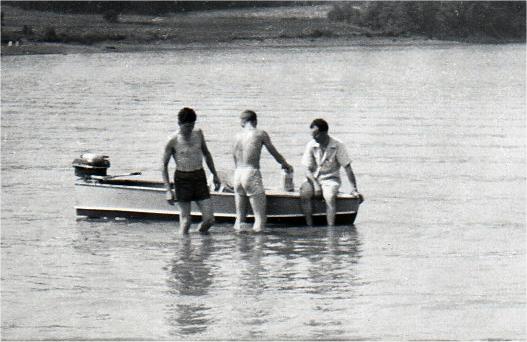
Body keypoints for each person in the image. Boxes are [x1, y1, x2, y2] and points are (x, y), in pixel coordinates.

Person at [162, 107, 221, 234]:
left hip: (199, 176)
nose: (189, 130)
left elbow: (207, 154)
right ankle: (184, 251)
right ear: (179, 124)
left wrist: (215, 175)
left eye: (191, 126)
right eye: (186, 127)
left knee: (209, 219)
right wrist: (168, 190)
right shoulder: (172, 140)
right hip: (182, 179)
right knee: (186, 221)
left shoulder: (198, 133)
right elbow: (163, 166)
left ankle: (201, 240)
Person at [233, 110, 293, 233]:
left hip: (238, 174)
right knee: (260, 218)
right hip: (251, 172)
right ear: (255, 121)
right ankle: (258, 250)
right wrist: (285, 164)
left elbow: (234, 156)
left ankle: (239, 248)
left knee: (239, 218)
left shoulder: (237, 136)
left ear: (242, 122)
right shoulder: (260, 134)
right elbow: (274, 153)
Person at [300, 118, 361, 226]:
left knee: (329, 197)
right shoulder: (311, 144)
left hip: (330, 178)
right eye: (312, 135)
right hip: (313, 178)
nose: (314, 138)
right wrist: (315, 185)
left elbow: (347, 168)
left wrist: (354, 189)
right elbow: (306, 169)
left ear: (324, 133)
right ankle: (309, 226)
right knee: (304, 194)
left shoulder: (337, 145)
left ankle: (330, 228)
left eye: (316, 135)